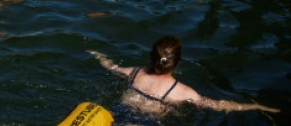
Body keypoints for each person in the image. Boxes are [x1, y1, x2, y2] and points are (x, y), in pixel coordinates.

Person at [89, 36, 279, 123]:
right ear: (177, 63)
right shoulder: (183, 92)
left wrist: (96, 54)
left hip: (119, 111)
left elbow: (111, 66)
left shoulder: (135, 72)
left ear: (152, 58)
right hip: (146, 121)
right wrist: (255, 107)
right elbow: (218, 105)